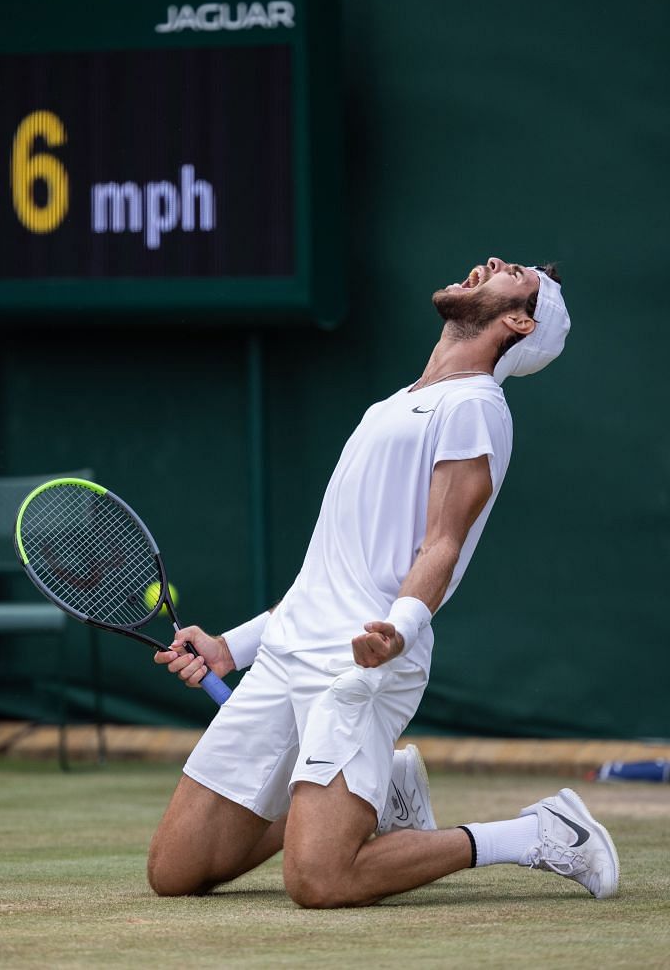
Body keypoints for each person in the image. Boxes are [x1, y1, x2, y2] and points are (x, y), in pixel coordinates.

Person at [148, 257, 619, 907]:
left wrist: (397, 632)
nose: (489, 263)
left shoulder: (475, 407)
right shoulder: (394, 406)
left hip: (362, 660)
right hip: (290, 649)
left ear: (517, 320)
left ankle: (537, 831)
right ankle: (378, 795)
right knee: (175, 871)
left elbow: (443, 543)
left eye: (515, 274)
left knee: (320, 881)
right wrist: (235, 646)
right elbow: (333, 568)